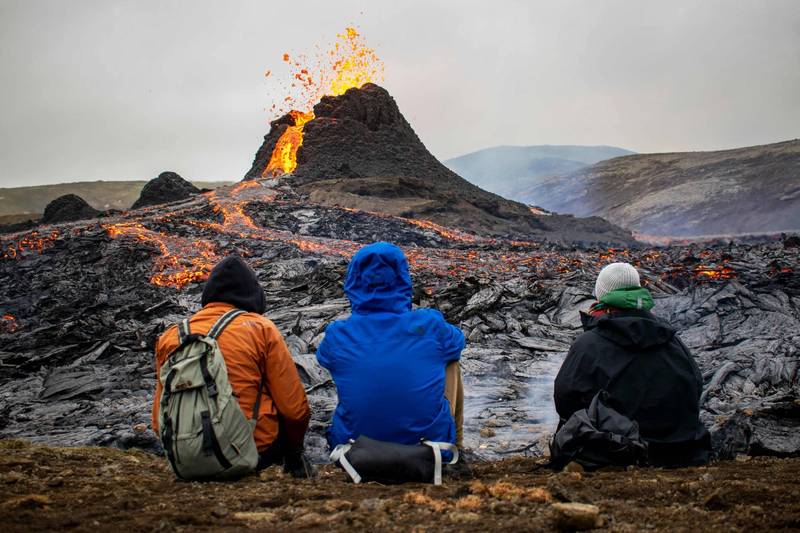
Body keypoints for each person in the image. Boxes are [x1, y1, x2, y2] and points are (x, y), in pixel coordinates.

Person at [151, 256, 313, 477]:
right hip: (252, 452)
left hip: (185, 455)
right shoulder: (260, 328)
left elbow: (158, 420)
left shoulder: (171, 336)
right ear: (254, 295)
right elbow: (295, 410)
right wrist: (295, 451)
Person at [553, 262, 711, 467]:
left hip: (620, 451)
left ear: (601, 295)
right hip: (682, 450)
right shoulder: (671, 339)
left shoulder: (589, 344)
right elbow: (695, 385)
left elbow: (565, 399)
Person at [316, 242, 465, 454]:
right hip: (428, 450)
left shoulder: (338, 334)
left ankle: (367, 427)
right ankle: (456, 447)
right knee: (450, 359)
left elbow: (324, 358)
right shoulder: (429, 324)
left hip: (352, 450)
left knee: (352, 367)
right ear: (402, 278)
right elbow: (458, 342)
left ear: (353, 282)